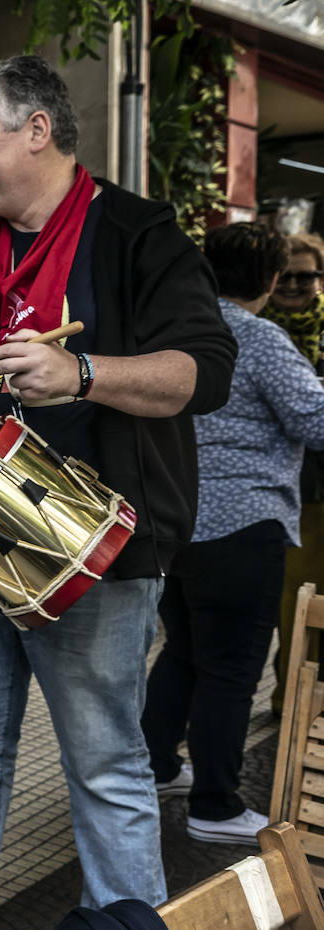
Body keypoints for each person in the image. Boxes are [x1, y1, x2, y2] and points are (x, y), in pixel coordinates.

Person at [0, 56, 236, 924]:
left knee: (103, 758)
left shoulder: (139, 235)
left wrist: (83, 370)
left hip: (89, 545)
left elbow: (203, 372)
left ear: (37, 130)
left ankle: (125, 915)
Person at [141, 223, 324, 844]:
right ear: (272, 279)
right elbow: (317, 419)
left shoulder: (174, 332)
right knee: (233, 669)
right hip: (243, 525)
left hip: (174, 523)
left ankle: (158, 765)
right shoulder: (260, 337)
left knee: (184, 651)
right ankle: (215, 806)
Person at [261, 232, 324, 714]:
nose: (296, 285)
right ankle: (291, 699)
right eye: (288, 275)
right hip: (290, 488)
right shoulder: (257, 329)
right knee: (295, 600)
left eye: (307, 276)